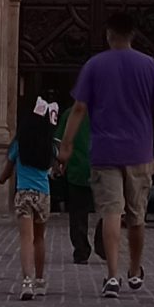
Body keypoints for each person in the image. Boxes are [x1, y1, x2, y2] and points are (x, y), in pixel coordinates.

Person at [56, 12, 154, 299]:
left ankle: (112, 276)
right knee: (136, 217)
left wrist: (66, 145)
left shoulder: (94, 65)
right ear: (133, 35)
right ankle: (134, 270)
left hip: (104, 151)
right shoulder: (149, 66)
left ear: (109, 35)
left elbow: (78, 109)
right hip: (139, 152)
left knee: (111, 212)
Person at [10, 99, 56, 300]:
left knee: (25, 238)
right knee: (39, 238)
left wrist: (3, 178)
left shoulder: (20, 144)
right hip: (43, 194)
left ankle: (26, 281)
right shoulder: (49, 146)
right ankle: (39, 280)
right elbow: (57, 162)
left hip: (23, 193)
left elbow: (6, 169)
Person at [61, 99, 100, 265]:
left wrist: (60, 163)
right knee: (109, 211)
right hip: (103, 168)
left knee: (77, 214)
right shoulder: (104, 113)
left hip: (77, 169)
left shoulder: (69, 114)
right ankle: (104, 245)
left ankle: (81, 250)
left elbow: (60, 141)